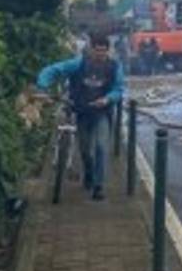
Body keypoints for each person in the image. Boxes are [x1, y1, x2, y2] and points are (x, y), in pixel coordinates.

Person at [36, 33, 127, 201]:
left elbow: (119, 89)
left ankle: (99, 186)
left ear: (108, 51)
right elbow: (53, 70)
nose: (100, 54)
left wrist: (107, 99)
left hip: (102, 112)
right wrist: (42, 87)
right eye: (97, 50)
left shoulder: (115, 67)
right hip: (82, 111)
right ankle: (89, 174)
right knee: (85, 151)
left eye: (103, 51)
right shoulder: (79, 64)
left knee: (101, 147)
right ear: (91, 49)